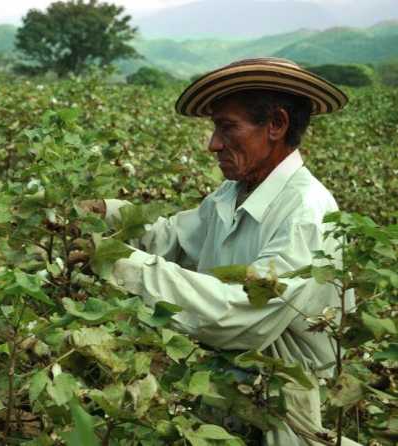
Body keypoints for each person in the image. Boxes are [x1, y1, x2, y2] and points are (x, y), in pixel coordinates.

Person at [88, 58, 361, 446]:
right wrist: (109, 214)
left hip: (280, 404)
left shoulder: (306, 213)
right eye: (216, 127)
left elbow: (241, 315)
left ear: (277, 125)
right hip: (223, 385)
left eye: (227, 127)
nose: (213, 144)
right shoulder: (234, 192)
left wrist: (121, 264)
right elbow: (175, 240)